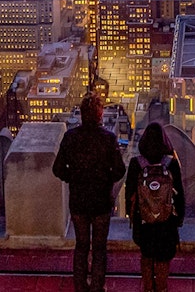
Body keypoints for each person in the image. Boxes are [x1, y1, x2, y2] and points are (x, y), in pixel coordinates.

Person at [52, 91, 127, 292]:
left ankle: (79, 286)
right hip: (101, 201)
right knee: (99, 248)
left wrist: (74, 178)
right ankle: (97, 286)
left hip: (78, 200)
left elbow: (57, 169)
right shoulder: (108, 139)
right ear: (100, 114)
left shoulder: (70, 137)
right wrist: (105, 179)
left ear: (82, 114)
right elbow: (120, 170)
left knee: (82, 245)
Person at [125, 123, 185, 292]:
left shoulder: (136, 164)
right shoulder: (171, 164)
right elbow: (179, 193)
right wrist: (179, 218)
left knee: (146, 254)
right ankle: (161, 287)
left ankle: (148, 288)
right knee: (163, 257)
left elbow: (129, 193)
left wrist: (132, 217)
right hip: (167, 221)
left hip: (143, 220)